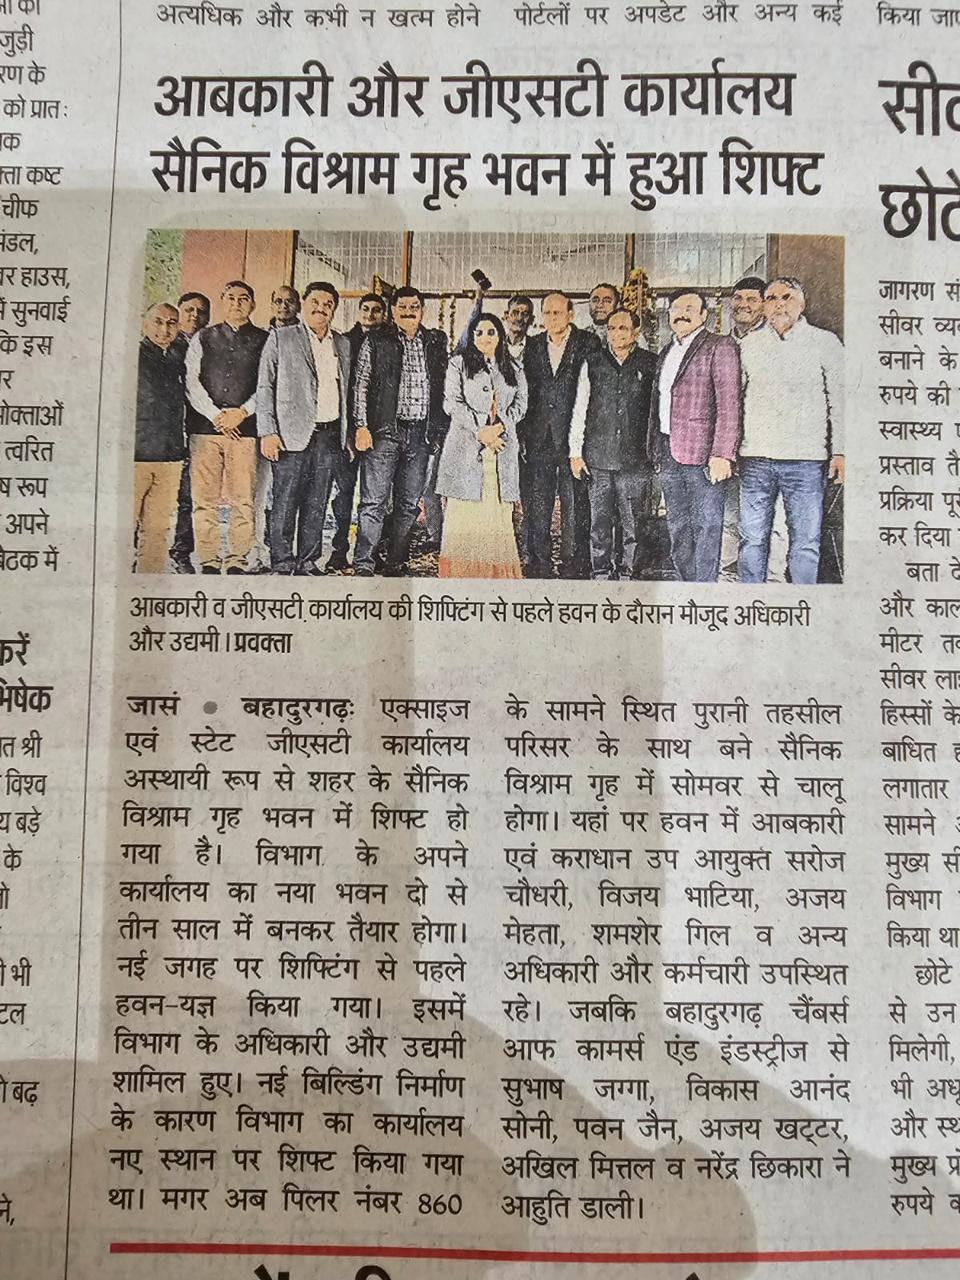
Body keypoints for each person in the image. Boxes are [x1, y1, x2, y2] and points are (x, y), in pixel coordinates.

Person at [738, 276, 844, 585]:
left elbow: (841, 400)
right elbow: (734, 402)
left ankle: (802, 602)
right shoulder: (749, 345)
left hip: (805, 461)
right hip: (756, 459)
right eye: (771, 298)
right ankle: (750, 600)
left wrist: (841, 451)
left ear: (802, 304)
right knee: (752, 539)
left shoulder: (825, 343)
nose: (779, 304)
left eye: (787, 297)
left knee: (805, 542)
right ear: (764, 306)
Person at [352, 286, 449, 576]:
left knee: (408, 504)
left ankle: (396, 562)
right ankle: (364, 564)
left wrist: (438, 432)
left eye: (414, 306)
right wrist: (361, 426)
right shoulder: (376, 340)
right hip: (384, 434)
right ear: (393, 310)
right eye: (402, 306)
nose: (408, 311)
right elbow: (361, 385)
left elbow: (443, 388)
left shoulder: (434, 341)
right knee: (374, 502)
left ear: (422, 310)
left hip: (421, 436)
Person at [256, 280, 351, 575]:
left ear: (334, 309)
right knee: (285, 500)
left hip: (329, 435)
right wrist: (268, 432)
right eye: (315, 302)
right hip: (290, 435)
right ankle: (283, 562)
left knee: (317, 502)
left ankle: (308, 561)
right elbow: (265, 386)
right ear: (304, 305)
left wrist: (346, 434)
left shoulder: (342, 343)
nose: (321, 309)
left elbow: (346, 390)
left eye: (328, 304)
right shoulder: (281, 337)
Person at [647, 289, 741, 583]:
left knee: (707, 526)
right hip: (668, 451)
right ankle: (685, 583)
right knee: (677, 524)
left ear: (704, 315)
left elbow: (729, 403)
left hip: (703, 456)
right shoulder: (667, 350)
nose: (682, 314)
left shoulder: (720, 346)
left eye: (690, 308)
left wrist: (722, 454)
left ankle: (703, 589)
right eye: (677, 309)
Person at [185, 280, 268, 575]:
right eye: (231, 298)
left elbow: (267, 384)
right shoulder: (203, 337)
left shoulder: (265, 339)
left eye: (243, 298)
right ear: (222, 302)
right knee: (204, 500)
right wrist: (216, 415)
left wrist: (242, 413)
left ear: (253, 304)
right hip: (204, 430)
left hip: (245, 431)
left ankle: (236, 559)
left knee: (243, 500)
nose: (237, 303)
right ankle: (208, 558)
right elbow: (191, 381)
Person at [435, 312, 527, 578]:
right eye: (479, 333)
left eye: (491, 332)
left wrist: (500, 427)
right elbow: (452, 403)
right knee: (466, 516)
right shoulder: (458, 364)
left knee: (495, 516)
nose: (485, 337)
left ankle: (494, 578)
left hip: (501, 450)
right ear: (471, 337)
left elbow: (521, 405)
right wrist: (480, 431)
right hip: (465, 450)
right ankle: (464, 578)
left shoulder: (514, 367)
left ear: (500, 335)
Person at [569, 308, 656, 580]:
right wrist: (575, 452)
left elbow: (657, 412)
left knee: (633, 524)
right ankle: (601, 573)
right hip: (599, 459)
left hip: (635, 460)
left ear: (636, 333)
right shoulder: (593, 362)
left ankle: (628, 574)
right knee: (599, 523)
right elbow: (580, 408)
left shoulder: (649, 363)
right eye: (612, 328)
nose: (617, 334)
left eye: (623, 328)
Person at [520, 293, 597, 578]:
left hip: (572, 440)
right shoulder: (532, 345)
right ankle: (538, 563)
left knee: (573, 504)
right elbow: (526, 390)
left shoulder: (588, 343)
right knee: (538, 504)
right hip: (539, 438)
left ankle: (572, 565)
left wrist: (582, 442)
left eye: (558, 312)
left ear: (571, 315)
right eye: (547, 313)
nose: (552, 318)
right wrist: (524, 435)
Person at [327, 292, 388, 571]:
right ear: (358, 311)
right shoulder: (345, 342)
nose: (370, 314)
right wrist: (350, 431)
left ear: (384, 314)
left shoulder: (390, 342)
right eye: (366, 309)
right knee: (344, 494)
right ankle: (339, 549)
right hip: (348, 431)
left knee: (377, 497)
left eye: (376, 310)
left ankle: (372, 552)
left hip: (379, 433)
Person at [134, 303, 185, 573]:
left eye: (171, 322)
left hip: (170, 456)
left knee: (158, 529)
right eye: (158, 322)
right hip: (136, 455)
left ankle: (147, 581)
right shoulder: (133, 357)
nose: (164, 329)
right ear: (145, 324)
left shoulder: (178, 358)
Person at [169, 290, 210, 573]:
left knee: (189, 495)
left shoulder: (209, 344)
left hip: (198, 429)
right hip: (167, 431)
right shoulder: (167, 346)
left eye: (201, 311)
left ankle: (181, 552)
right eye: (189, 310)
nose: (195, 316)